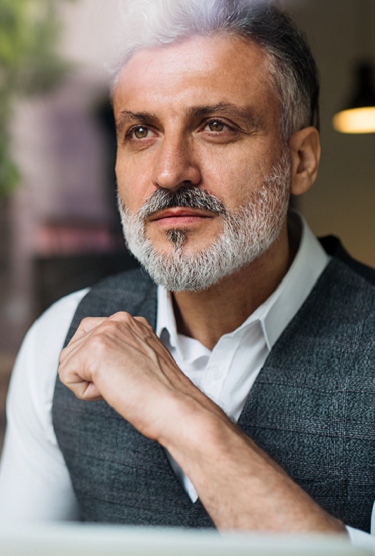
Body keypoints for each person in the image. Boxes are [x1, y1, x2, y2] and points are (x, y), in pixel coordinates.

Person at [0, 0, 375, 549]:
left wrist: (181, 414)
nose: (171, 170)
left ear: (300, 161)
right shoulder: (59, 339)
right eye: (141, 132)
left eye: (216, 125)